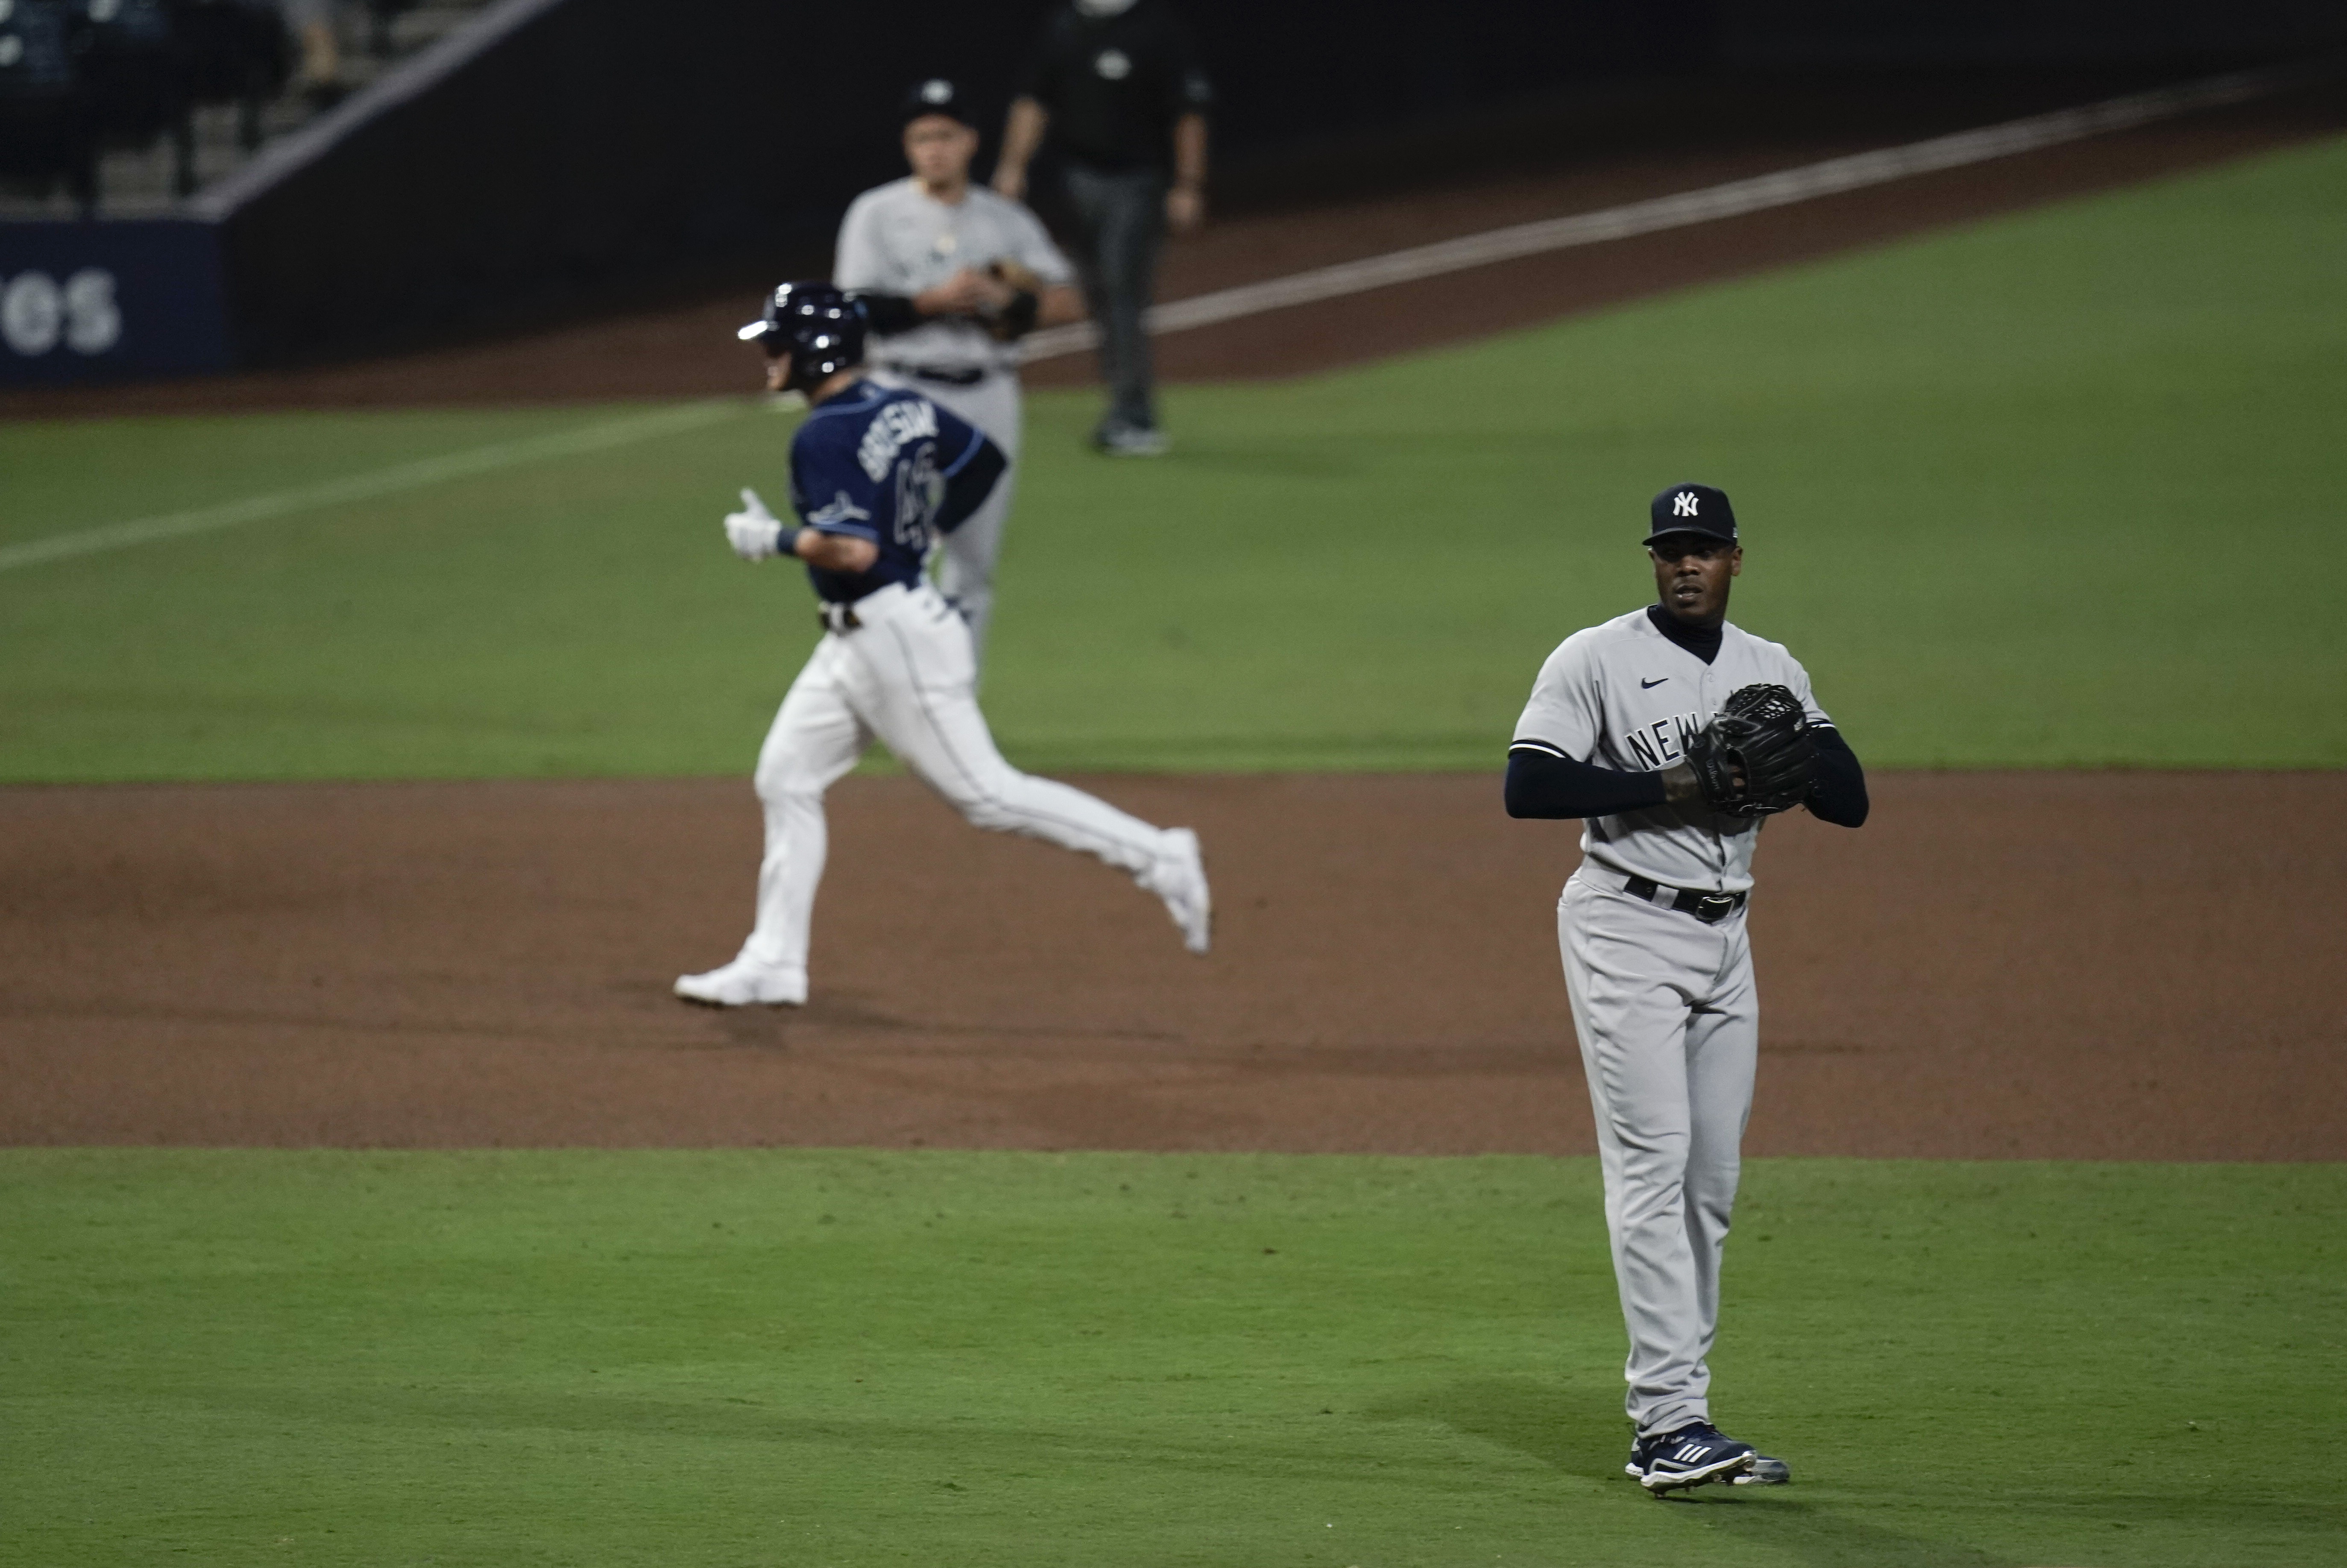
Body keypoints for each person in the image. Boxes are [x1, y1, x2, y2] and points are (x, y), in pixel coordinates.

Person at [673, 282, 1211, 1009]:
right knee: (787, 778)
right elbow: (982, 460)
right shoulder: (901, 403)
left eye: (778, 343)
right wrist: (931, 530)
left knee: (988, 796)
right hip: (858, 642)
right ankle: (774, 961)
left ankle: (1160, 856)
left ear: (813, 351)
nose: (768, 354)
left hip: (894, 637)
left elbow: (852, 552)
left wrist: (771, 539)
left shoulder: (823, 435)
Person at [1503, 484, 1868, 1495]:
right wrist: (1674, 784)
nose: (1687, 564)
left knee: (1711, 1183)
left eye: (1704, 548)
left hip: (1726, 939)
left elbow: (1853, 801)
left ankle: (1683, 1416)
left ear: (1735, 560)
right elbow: (1527, 786)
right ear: (1653, 560)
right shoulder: (1595, 658)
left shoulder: (1772, 668)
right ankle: (1668, 1423)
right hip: (1625, 923)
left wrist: (1785, 766)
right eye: (1671, 549)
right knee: (1653, 1164)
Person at [835, 78, 1085, 668]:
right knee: (891, 550)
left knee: (974, 560)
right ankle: (882, 686)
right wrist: (931, 302)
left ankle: (953, 697)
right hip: (902, 390)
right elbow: (851, 309)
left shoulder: (1005, 220)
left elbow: (1068, 303)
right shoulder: (876, 213)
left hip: (988, 395)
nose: (934, 149)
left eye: (945, 136)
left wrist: (1003, 300)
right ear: (907, 145)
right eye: (922, 137)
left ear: (970, 141)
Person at [992, 0, 1212, 457]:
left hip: (1137, 181)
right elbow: (1034, 98)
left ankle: (1136, 415)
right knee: (1093, 293)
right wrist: (1013, 166)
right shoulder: (1065, 26)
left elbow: (1187, 112)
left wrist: (1188, 184)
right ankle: (1121, 406)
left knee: (1123, 292)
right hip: (1077, 182)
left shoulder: (1154, 29)